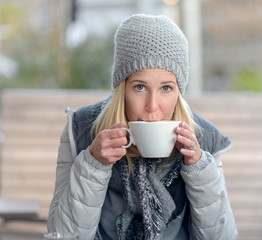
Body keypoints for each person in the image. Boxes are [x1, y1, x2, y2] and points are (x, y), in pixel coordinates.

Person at [47, 14, 238, 240]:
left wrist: (199, 171)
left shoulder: (202, 139)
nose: (152, 107)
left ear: (179, 91)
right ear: (122, 89)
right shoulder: (81, 130)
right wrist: (92, 166)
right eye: (140, 87)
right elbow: (63, 235)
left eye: (166, 88)